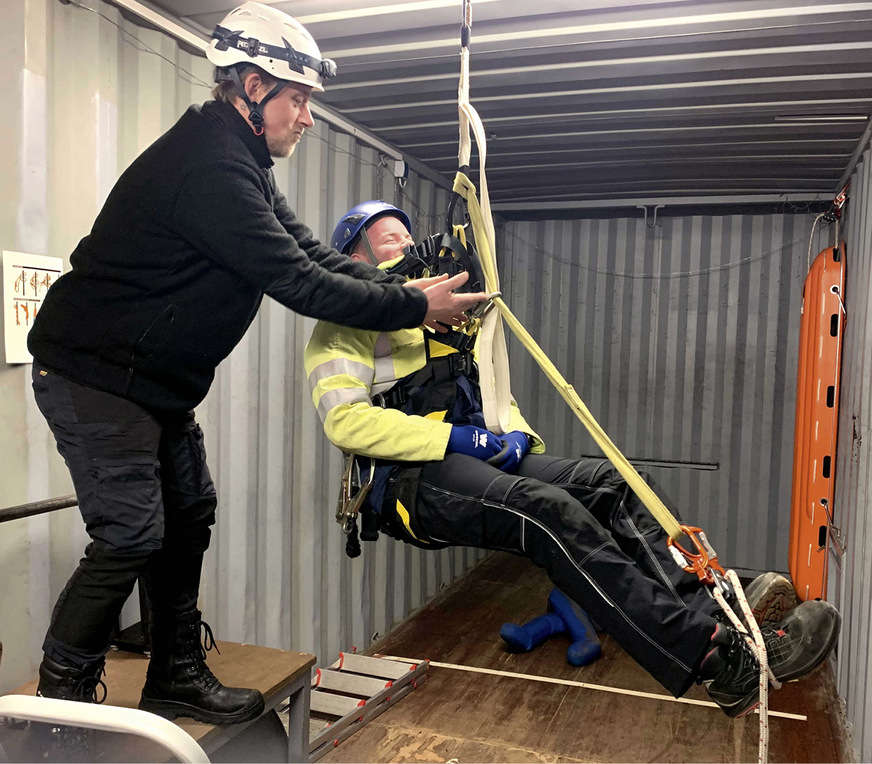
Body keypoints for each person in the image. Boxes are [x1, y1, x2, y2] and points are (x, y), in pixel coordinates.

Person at [25, 2, 486, 732]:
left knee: (190, 514)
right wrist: (411, 310)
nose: (306, 118)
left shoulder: (241, 161)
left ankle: (174, 673)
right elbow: (298, 284)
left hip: (152, 383)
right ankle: (58, 706)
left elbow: (312, 253)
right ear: (248, 87)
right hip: (91, 374)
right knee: (131, 533)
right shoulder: (208, 166)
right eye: (297, 100)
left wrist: (404, 290)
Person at [304, 201, 840, 719]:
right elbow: (344, 420)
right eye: (389, 240)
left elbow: (493, 393)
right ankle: (715, 664)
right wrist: (457, 442)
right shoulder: (341, 322)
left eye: (407, 233)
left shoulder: (443, 319)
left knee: (612, 483)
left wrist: (513, 436)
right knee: (547, 510)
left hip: (479, 457)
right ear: (355, 259)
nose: (408, 246)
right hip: (408, 482)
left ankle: (731, 630)